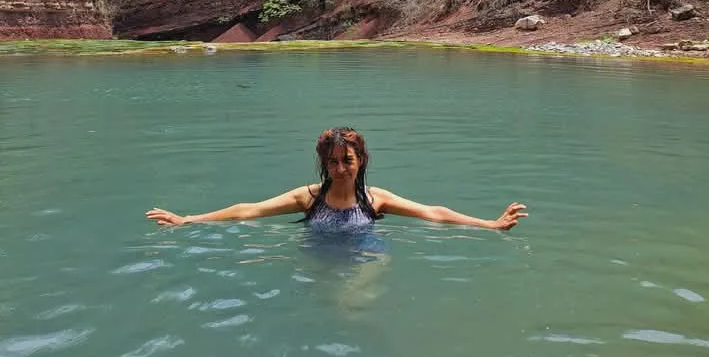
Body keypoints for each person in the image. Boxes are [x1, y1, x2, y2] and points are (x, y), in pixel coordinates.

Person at [146, 126, 528, 232]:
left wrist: (490, 224)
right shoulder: (308, 198)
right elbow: (249, 210)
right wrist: (188, 219)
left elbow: (435, 214)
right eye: (333, 162)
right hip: (317, 258)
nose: (341, 169)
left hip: (365, 259)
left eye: (347, 160)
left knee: (352, 305)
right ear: (324, 165)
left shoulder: (376, 200)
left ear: (361, 160)